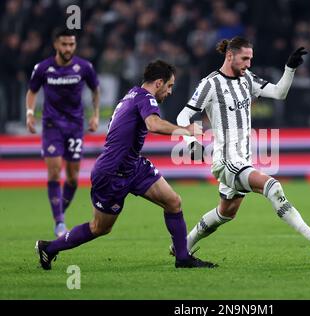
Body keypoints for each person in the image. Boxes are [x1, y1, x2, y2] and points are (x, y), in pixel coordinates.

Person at [35, 60, 217, 270]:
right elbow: (153, 125)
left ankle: (183, 258)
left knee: (173, 201)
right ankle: (48, 248)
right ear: (159, 83)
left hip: (133, 166)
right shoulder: (145, 98)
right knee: (100, 227)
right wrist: (186, 130)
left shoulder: (132, 94)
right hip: (112, 172)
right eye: (170, 85)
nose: (170, 91)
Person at [175, 36, 310, 258]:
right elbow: (183, 115)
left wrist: (290, 69)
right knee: (272, 186)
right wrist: (190, 143)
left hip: (244, 160)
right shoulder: (210, 84)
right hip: (226, 160)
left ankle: (183, 246)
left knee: (225, 213)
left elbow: (279, 93)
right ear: (230, 56)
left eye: (251, 59)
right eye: (245, 59)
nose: (248, 64)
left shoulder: (247, 78)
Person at [25, 28, 100, 237]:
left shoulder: (84, 67)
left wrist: (95, 115)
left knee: (74, 177)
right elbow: (32, 91)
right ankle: (59, 222)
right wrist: (30, 113)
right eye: (65, 44)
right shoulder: (43, 68)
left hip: (75, 126)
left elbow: (95, 89)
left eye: (72, 44)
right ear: (56, 45)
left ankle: (59, 212)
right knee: (55, 170)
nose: (68, 48)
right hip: (52, 125)